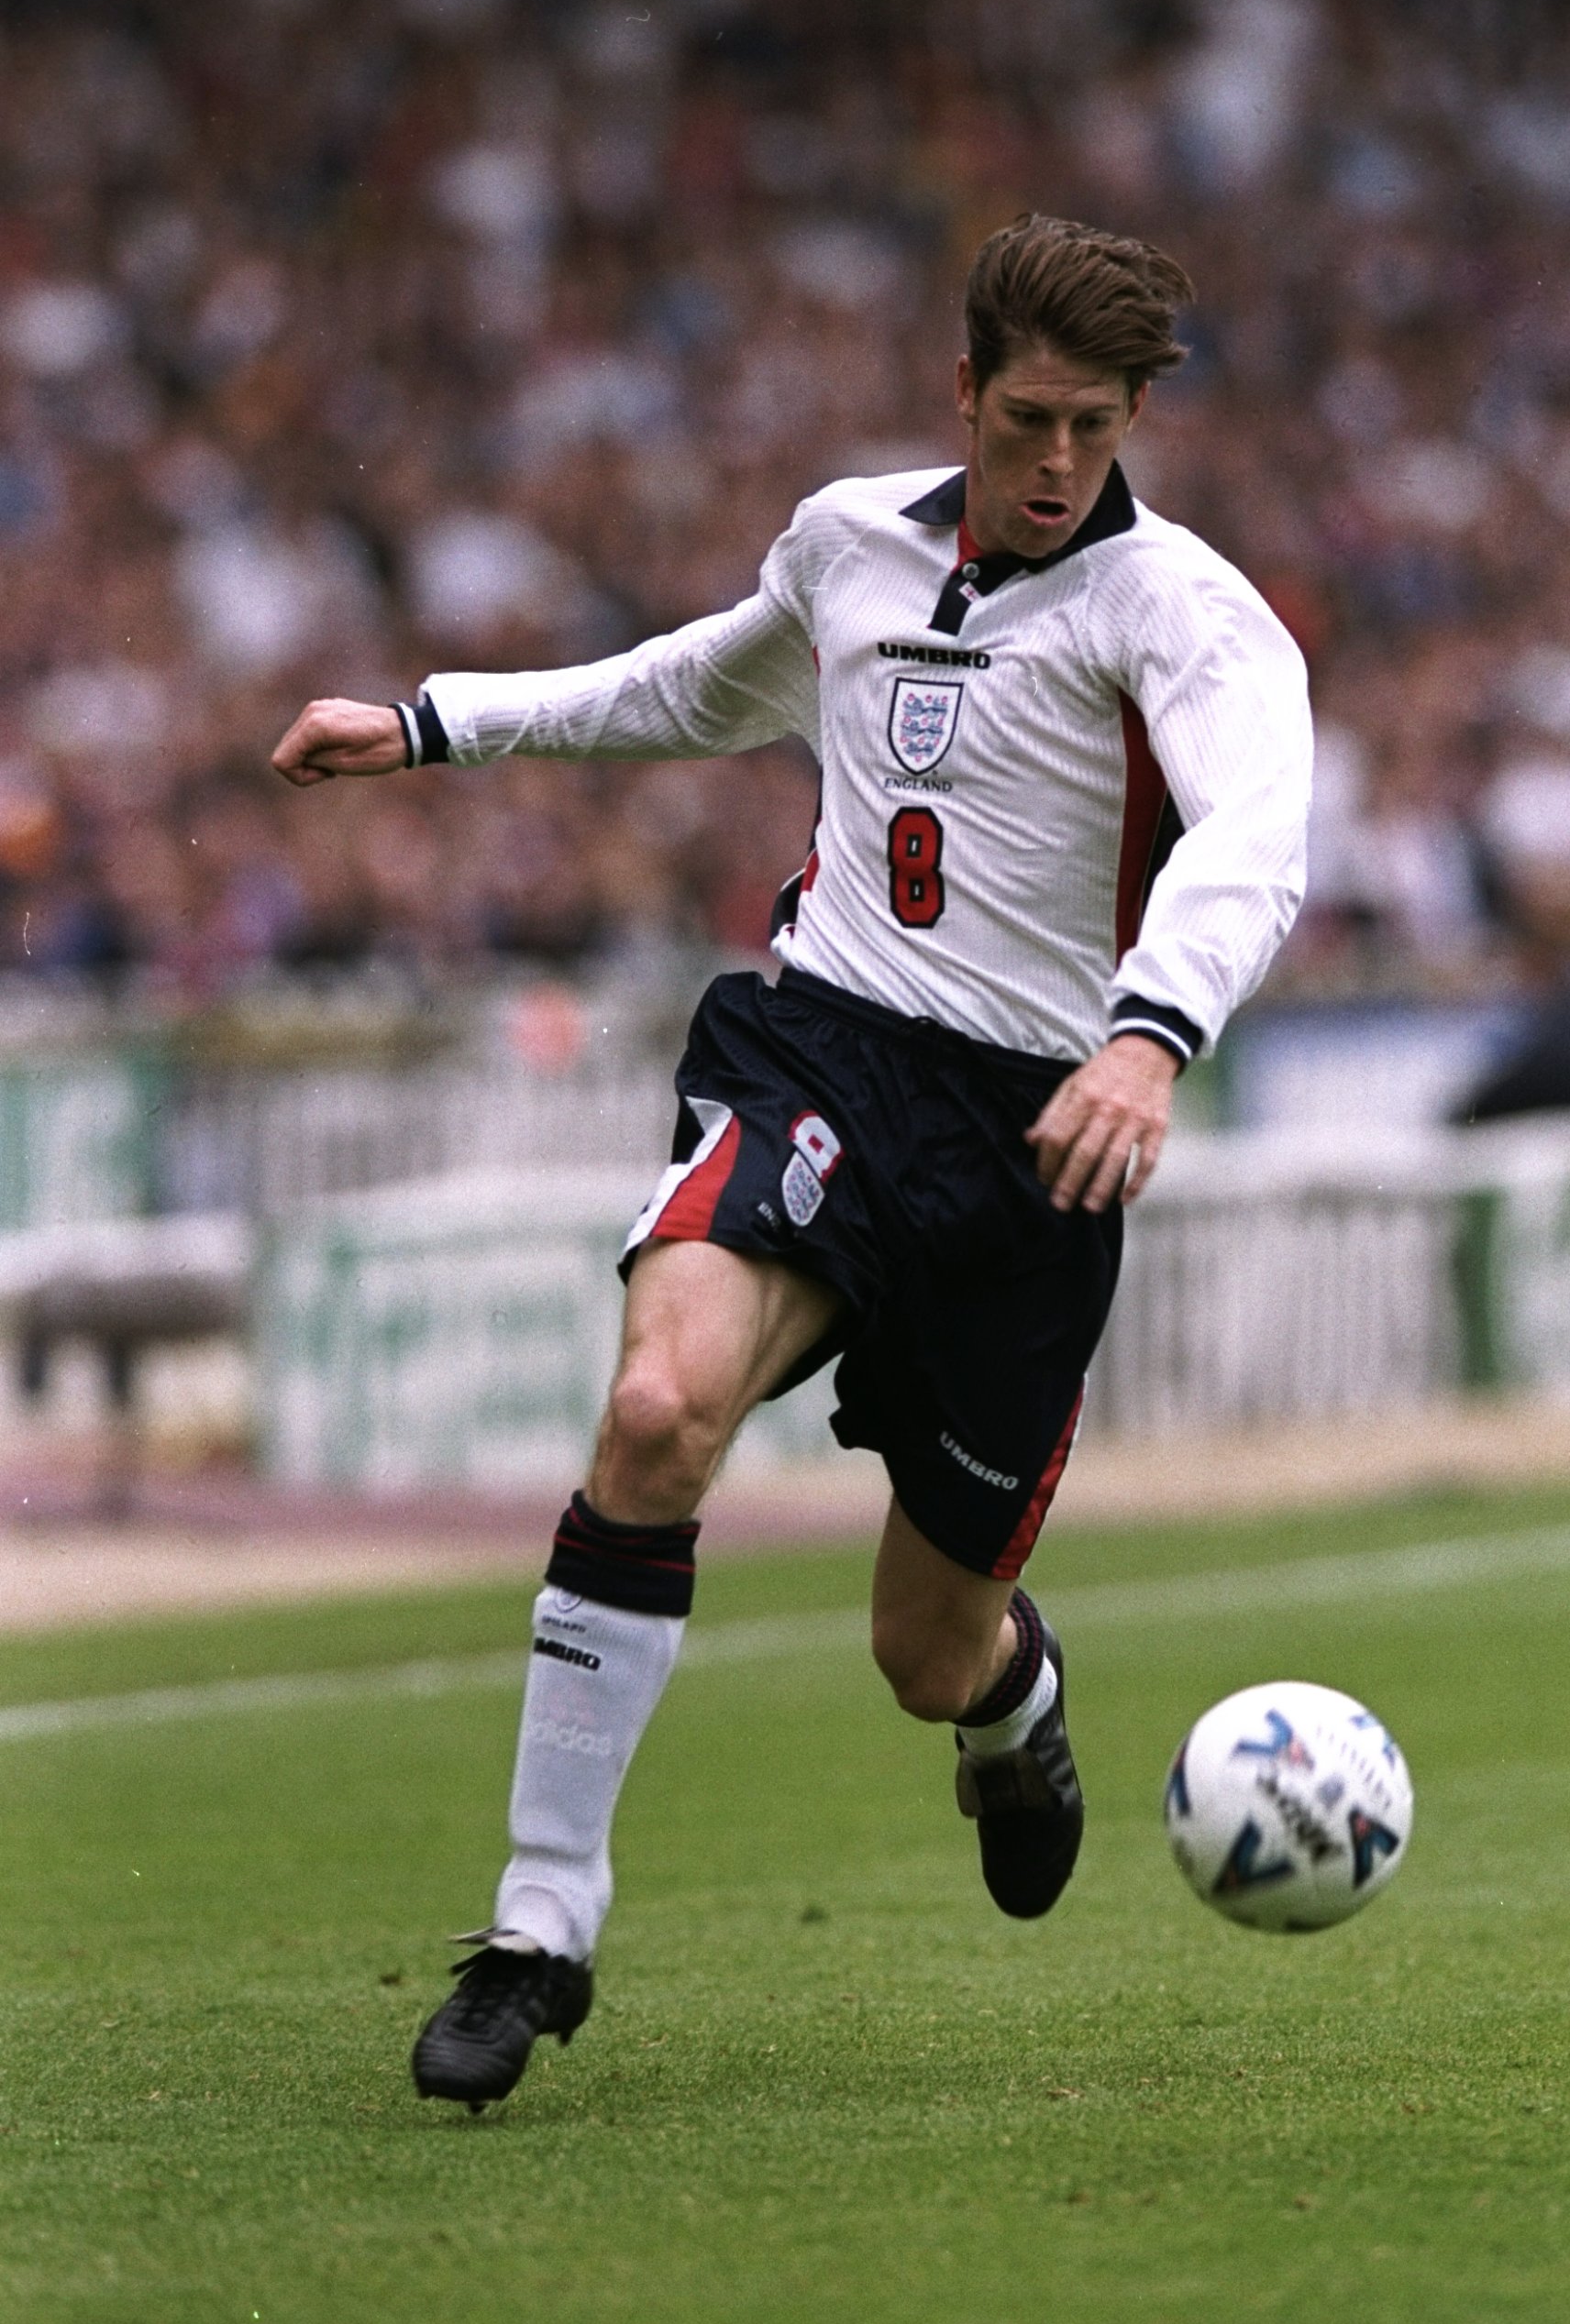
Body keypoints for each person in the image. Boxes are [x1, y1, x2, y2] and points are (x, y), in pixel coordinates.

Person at [271, 214, 1312, 2110]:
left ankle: (1016, 1708)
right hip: (821, 1047)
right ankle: (536, 1928)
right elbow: (699, 686)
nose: (1058, 460)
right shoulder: (850, 543)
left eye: (1096, 422)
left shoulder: (1191, 617)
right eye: (1025, 418)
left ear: (1145, 412)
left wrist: (1153, 1031)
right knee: (659, 1408)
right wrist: (437, 724)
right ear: (963, 392)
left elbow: (1257, 837)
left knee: (925, 1651)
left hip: (1033, 1143)